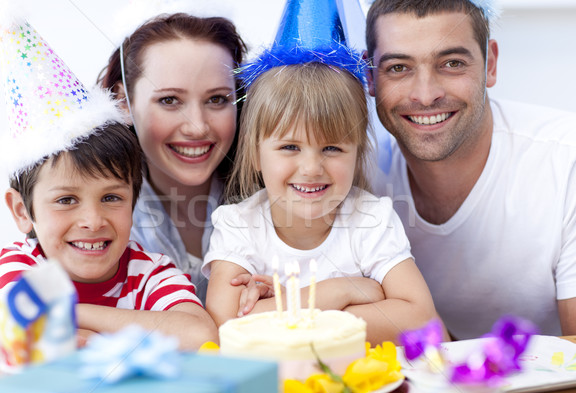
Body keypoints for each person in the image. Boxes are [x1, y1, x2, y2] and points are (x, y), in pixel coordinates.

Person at [0, 18, 217, 376]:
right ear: (21, 211)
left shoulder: (151, 271)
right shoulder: (22, 268)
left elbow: (199, 335)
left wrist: (71, 311)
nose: (93, 220)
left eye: (111, 198)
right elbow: (41, 346)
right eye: (66, 200)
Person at [365, 0, 576, 339]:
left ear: (490, 64)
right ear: (371, 77)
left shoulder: (566, 162)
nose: (425, 95)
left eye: (451, 63)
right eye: (399, 68)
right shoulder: (352, 178)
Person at [202, 58, 441, 344]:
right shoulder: (239, 224)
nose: (312, 168)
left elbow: (420, 320)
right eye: (290, 147)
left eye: (331, 148)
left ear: (357, 154)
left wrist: (277, 311)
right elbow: (224, 327)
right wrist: (338, 292)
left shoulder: (370, 218)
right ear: (255, 154)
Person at [98, 13, 247, 305]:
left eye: (217, 99)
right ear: (124, 102)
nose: (197, 126)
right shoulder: (87, 216)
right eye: (169, 100)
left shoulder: (278, 193)